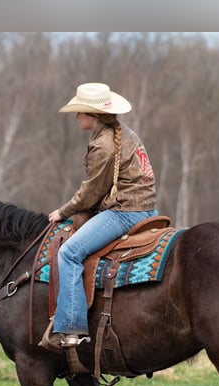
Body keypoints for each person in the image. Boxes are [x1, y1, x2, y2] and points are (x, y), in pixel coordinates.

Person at [40, 82, 158, 352]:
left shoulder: (104, 145)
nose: (76, 116)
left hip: (125, 212)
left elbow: (91, 192)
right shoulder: (122, 133)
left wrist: (63, 211)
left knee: (69, 253)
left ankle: (71, 328)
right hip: (146, 208)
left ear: (92, 115)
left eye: (80, 111)